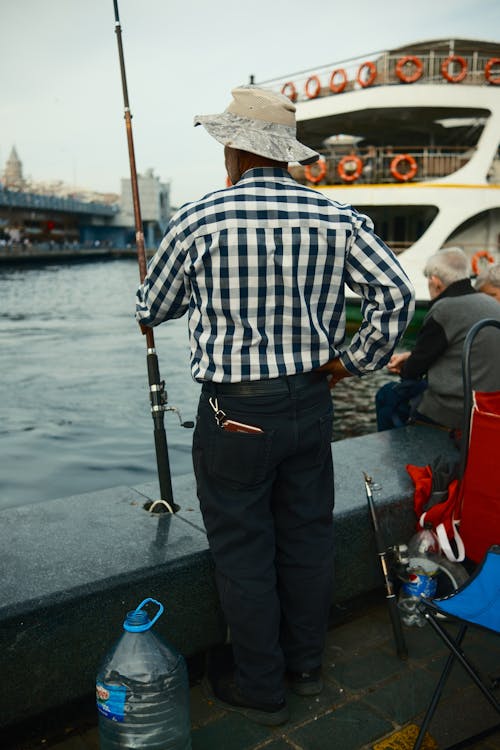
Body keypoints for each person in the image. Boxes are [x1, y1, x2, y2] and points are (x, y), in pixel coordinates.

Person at [135, 86, 414, 726]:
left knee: (243, 548)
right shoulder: (336, 217)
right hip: (310, 403)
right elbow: (396, 296)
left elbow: (153, 311)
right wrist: (350, 363)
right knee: (308, 539)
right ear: (283, 154)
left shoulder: (198, 218)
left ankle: (262, 686)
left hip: (234, 413)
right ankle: (307, 668)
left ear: (235, 148)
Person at [380, 247, 500, 432]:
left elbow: (414, 369)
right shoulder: (491, 304)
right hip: (488, 406)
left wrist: (405, 365)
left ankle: (399, 452)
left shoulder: (444, 308)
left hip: (453, 410)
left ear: (435, 282)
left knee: (388, 394)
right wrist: (412, 357)